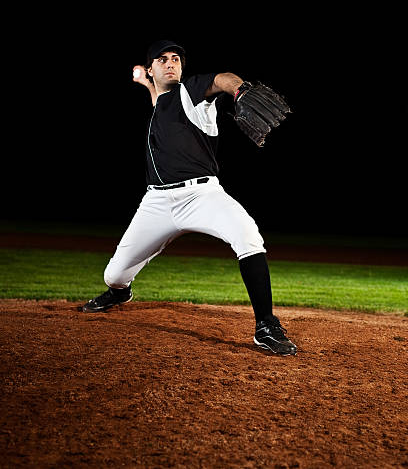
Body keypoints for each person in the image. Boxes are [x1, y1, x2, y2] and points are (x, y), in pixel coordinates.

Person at [82, 40, 297, 356]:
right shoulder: (162, 104)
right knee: (113, 275)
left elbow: (221, 78)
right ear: (154, 68)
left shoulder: (190, 93)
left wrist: (239, 91)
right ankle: (119, 293)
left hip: (201, 195)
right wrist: (144, 81)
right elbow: (158, 97)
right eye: (162, 59)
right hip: (155, 203)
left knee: (248, 235)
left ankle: (266, 326)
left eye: (176, 59)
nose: (171, 63)